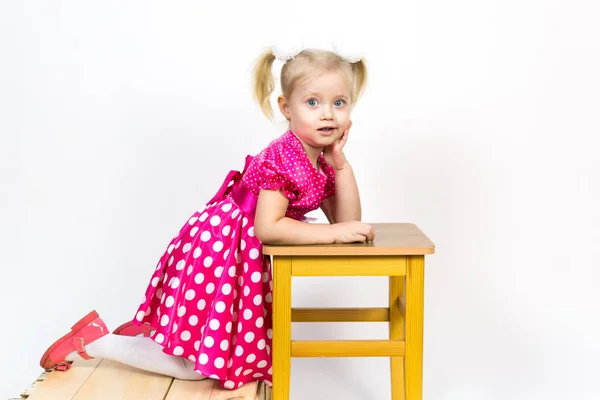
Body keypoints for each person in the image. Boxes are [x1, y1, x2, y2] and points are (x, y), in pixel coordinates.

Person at [39, 45, 375, 390]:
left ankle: (148, 340)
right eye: (313, 103)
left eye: (339, 103)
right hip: (222, 247)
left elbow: (348, 223)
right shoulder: (284, 157)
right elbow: (269, 227)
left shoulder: (321, 160)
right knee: (198, 366)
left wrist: (341, 165)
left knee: (214, 352)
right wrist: (334, 234)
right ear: (286, 108)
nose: (328, 115)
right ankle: (96, 341)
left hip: (240, 250)